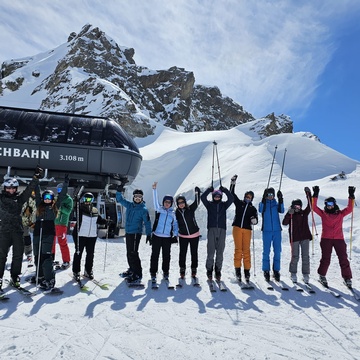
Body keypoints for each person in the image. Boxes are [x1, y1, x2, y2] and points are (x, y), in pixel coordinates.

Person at [0, 167, 41, 291]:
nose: (11, 190)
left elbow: (29, 190)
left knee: (17, 256)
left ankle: (15, 277)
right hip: (3, 232)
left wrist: (35, 178)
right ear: (5, 188)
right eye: (9, 188)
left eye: (13, 188)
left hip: (18, 231)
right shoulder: (0, 199)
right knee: (1, 256)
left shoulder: (19, 199)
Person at [312, 185, 355, 287]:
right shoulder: (323, 214)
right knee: (326, 258)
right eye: (327, 204)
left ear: (334, 204)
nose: (329, 206)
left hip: (339, 239)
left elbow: (349, 209)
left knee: (343, 258)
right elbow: (313, 207)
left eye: (331, 204)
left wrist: (351, 196)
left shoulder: (340, 214)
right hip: (326, 239)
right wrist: (315, 194)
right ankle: (322, 275)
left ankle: (347, 277)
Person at [32, 175, 69, 290]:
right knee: (37, 256)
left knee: (46, 257)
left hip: (48, 234)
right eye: (45, 197)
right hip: (38, 234)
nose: (47, 199)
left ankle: (50, 279)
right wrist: (36, 180)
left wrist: (66, 183)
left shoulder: (54, 207)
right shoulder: (39, 205)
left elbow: (62, 196)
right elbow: (37, 192)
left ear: (52, 199)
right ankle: (40, 275)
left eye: (49, 197)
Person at [116, 186, 152, 284]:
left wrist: (149, 234)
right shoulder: (130, 205)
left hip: (136, 233)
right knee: (128, 252)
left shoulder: (143, 209)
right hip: (128, 233)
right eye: (136, 196)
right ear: (133, 197)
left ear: (142, 198)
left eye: (139, 197)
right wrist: (118, 191)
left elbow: (147, 222)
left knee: (134, 253)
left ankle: (138, 274)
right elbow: (120, 199)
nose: (137, 198)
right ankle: (132, 269)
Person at [201, 185, 233, 281]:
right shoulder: (209, 205)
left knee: (220, 252)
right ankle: (209, 270)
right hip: (212, 229)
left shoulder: (224, 205)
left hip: (222, 230)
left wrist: (225, 190)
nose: (217, 198)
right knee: (210, 251)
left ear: (221, 197)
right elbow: (203, 197)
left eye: (218, 196)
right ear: (213, 197)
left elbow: (231, 198)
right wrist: (208, 190)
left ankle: (218, 270)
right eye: (215, 196)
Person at [72, 192, 107, 281]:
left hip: (92, 235)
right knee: (78, 253)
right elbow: (75, 207)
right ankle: (76, 271)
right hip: (80, 234)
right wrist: (76, 200)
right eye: (86, 199)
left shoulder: (94, 210)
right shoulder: (80, 208)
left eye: (90, 199)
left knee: (90, 254)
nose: (87, 201)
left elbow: (99, 220)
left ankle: (88, 270)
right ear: (83, 199)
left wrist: (106, 221)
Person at [229, 175, 258, 283]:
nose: (247, 198)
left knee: (246, 251)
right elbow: (231, 194)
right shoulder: (239, 203)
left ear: (252, 199)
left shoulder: (253, 208)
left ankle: (246, 272)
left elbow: (256, 220)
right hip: (237, 228)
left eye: (250, 197)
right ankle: (237, 271)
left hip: (247, 230)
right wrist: (233, 183)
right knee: (238, 250)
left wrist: (254, 220)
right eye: (246, 196)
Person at [282, 187, 312, 284]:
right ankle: (293, 273)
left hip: (305, 237)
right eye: (295, 207)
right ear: (292, 207)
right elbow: (284, 223)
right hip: (294, 238)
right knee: (295, 256)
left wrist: (308, 194)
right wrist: (288, 214)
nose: (297, 209)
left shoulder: (304, 213)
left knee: (305, 256)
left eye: (299, 207)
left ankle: (305, 274)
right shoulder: (291, 215)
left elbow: (310, 206)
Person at [149, 182, 179, 281]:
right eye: (165, 201)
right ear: (163, 202)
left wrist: (175, 234)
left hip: (167, 238)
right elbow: (155, 201)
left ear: (171, 203)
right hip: (157, 236)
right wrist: (154, 189)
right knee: (155, 254)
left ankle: (165, 271)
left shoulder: (173, 213)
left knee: (166, 255)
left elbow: (175, 225)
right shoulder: (159, 209)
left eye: (169, 202)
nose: (167, 203)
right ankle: (153, 271)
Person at [258, 187, 284, 281]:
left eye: (271, 195)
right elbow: (260, 210)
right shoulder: (263, 204)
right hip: (266, 231)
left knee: (277, 251)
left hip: (277, 231)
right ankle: (266, 270)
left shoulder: (276, 204)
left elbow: (282, 210)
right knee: (266, 251)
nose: (270, 196)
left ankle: (276, 270)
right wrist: (263, 199)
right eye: (268, 195)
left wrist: (281, 199)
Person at [175, 186, 201, 279]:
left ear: (185, 202)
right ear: (177, 204)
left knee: (194, 253)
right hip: (183, 236)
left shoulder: (190, 209)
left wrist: (197, 193)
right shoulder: (176, 213)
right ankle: (182, 269)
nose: (181, 204)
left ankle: (194, 269)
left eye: (182, 202)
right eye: (179, 203)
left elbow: (197, 202)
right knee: (182, 253)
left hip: (194, 235)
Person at [53, 181, 73, 269]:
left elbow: (68, 211)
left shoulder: (68, 199)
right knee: (51, 242)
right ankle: (50, 258)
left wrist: (61, 206)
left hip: (61, 224)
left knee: (62, 242)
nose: (59, 191)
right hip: (53, 223)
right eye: (58, 189)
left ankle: (66, 260)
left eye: (61, 189)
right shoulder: (56, 198)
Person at [21, 190, 36, 266]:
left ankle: (28, 252)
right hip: (21, 221)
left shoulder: (34, 201)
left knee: (26, 236)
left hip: (27, 222)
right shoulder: (24, 199)